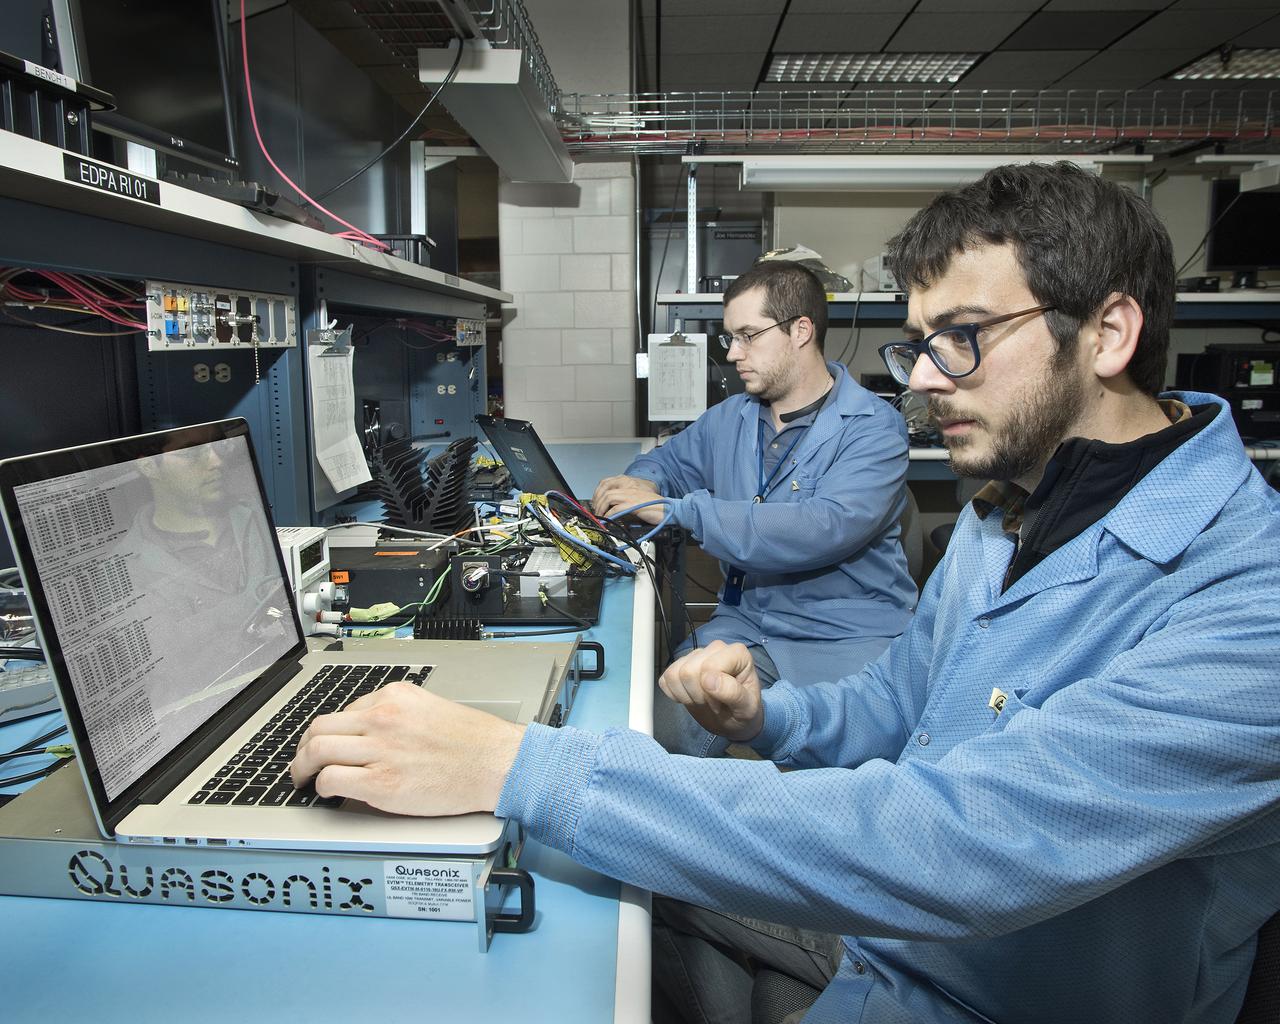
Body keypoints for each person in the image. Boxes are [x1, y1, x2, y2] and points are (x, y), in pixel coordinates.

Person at [290, 162, 1280, 1024]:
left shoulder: (1249, 603)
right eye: (917, 343)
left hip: (972, 991)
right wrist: (770, 713)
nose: (925, 380)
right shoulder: (1003, 513)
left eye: (962, 337)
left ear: (1106, 332)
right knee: (569, 879)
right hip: (884, 946)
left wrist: (527, 766)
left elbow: (955, 841)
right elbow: (897, 709)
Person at [592, 260, 917, 755]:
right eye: (730, 339)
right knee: (665, 727)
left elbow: (821, 527)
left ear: (800, 331)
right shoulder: (733, 417)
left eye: (748, 336)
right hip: (745, 622)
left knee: (839, 783)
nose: (735, 354)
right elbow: (667, 462)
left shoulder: (872, 428)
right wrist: (638, 485)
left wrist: (684, 512)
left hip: (842, 633)